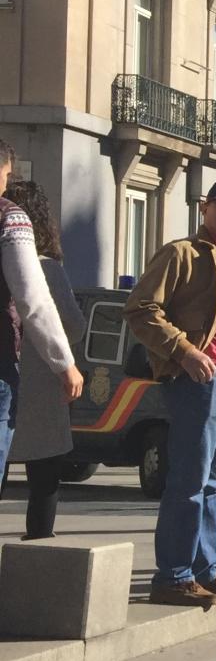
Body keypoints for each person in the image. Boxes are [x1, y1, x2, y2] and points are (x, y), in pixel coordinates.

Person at [123, 178, 216, 608]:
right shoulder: (182, 253)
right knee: (190, 481)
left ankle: (205, 570)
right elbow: (141, 309)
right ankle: (173, 576)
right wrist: (184, 353)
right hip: (200, 381)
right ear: (205, 207)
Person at [3, 180, 86, 540]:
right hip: (45, 380)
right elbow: (73, 324)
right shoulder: (47, 267)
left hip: (14, 368)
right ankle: (38, 546)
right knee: (44, 472)